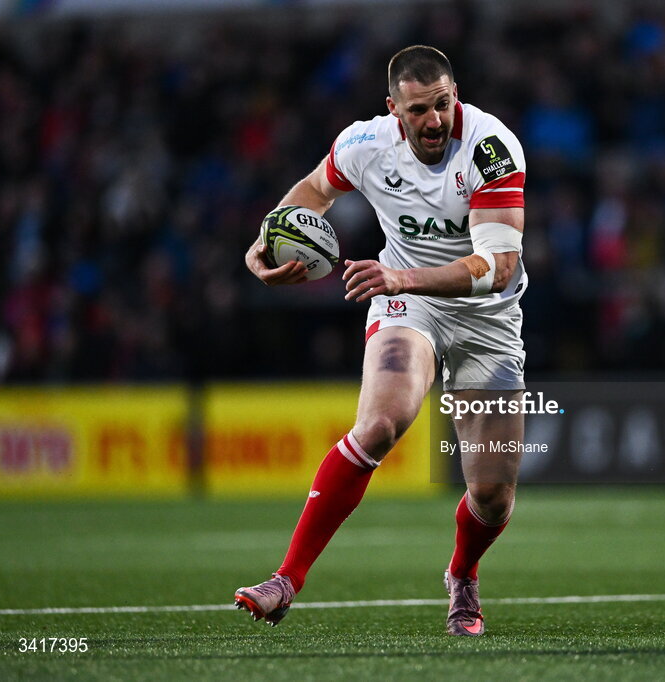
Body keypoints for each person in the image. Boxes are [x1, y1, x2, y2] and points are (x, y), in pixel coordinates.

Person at [234, 45, 527, 637]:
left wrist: (402, 275)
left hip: (486, 314)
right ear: (393, 108)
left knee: (492, 494)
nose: (435, 121)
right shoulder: (364, 145)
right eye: (420, 110)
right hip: (406, 302)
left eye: (443, 105)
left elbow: (496, 266)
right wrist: (264, 241)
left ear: (455, 94)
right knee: (380, 423)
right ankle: (286, 579)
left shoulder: (492, 148)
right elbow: (313, 191)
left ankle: (462, 575)